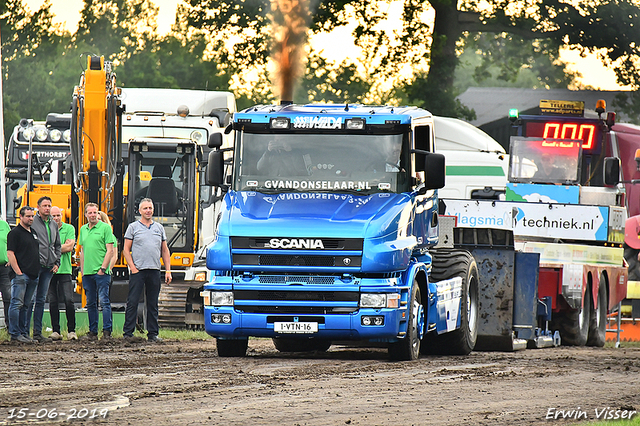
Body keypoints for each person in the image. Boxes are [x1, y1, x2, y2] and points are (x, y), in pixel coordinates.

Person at [122, 198, 172, 343]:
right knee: (133, 301)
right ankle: (128, 333)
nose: (148, 211)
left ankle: (153, 334)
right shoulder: (133, 227)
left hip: (154, 270)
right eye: (145, 208)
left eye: (150, 208)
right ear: (140, 211)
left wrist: (168, 270)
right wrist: (132, 267)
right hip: (138, 270)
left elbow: (164, 250)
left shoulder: (159, 228)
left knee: (152, 303)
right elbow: (126, 249)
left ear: (153, 210)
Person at [78, 202, 115, 340]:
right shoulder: (83, 229)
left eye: (95, 212)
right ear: (85, 214)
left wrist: (103, 269)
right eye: (90, 213)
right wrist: (82, 270)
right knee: (91, 303)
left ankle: (107, 332)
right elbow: (82, 251)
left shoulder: (105, 228)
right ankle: (92, 332)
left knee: (104, 301)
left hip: (101, 273)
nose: (93, 215)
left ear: (98, 213)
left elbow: (110, 250)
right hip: (87, 273)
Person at [26, 196, 61, 342]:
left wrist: (57, 262)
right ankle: (25, 332)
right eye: (44, 205)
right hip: (36, 267)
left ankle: (37, 333)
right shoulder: (33, 223)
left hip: (48, 268)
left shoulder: (53, 224)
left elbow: (57, 245)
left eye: (49, 205)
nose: (47, 208)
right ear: (38, 207)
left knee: (41, 300)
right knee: (30, 300)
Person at [6, 207, 40, 343]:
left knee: (26, 305)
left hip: (33, 275)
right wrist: (18, 273)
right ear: (21, 216)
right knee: (16, 304)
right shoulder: (15, 233)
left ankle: (24, 332)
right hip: (21, 275)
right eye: (28, 216)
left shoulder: (33, 232)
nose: (31, 219)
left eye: (32, 216)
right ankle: (15, 334)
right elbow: (10, 253)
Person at [47, 207, 77, 341]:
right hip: (49, 270)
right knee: (53, 301)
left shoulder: (69, 228)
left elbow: (70, 247)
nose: (56, 218)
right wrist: (60, 247)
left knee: (69, 300)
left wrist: (51, 248)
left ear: (62, 215)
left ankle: (71, 330)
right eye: (53, 216)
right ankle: (56, 331)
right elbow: (42, 247)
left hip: (65, 269)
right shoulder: (46, 229)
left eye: (58, 215)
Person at [0, 218, 13, 331]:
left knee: (8, 296)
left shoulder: (4, 225)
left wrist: (10, 258)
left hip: (4, 268)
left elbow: (11, 243)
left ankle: (10, 326)